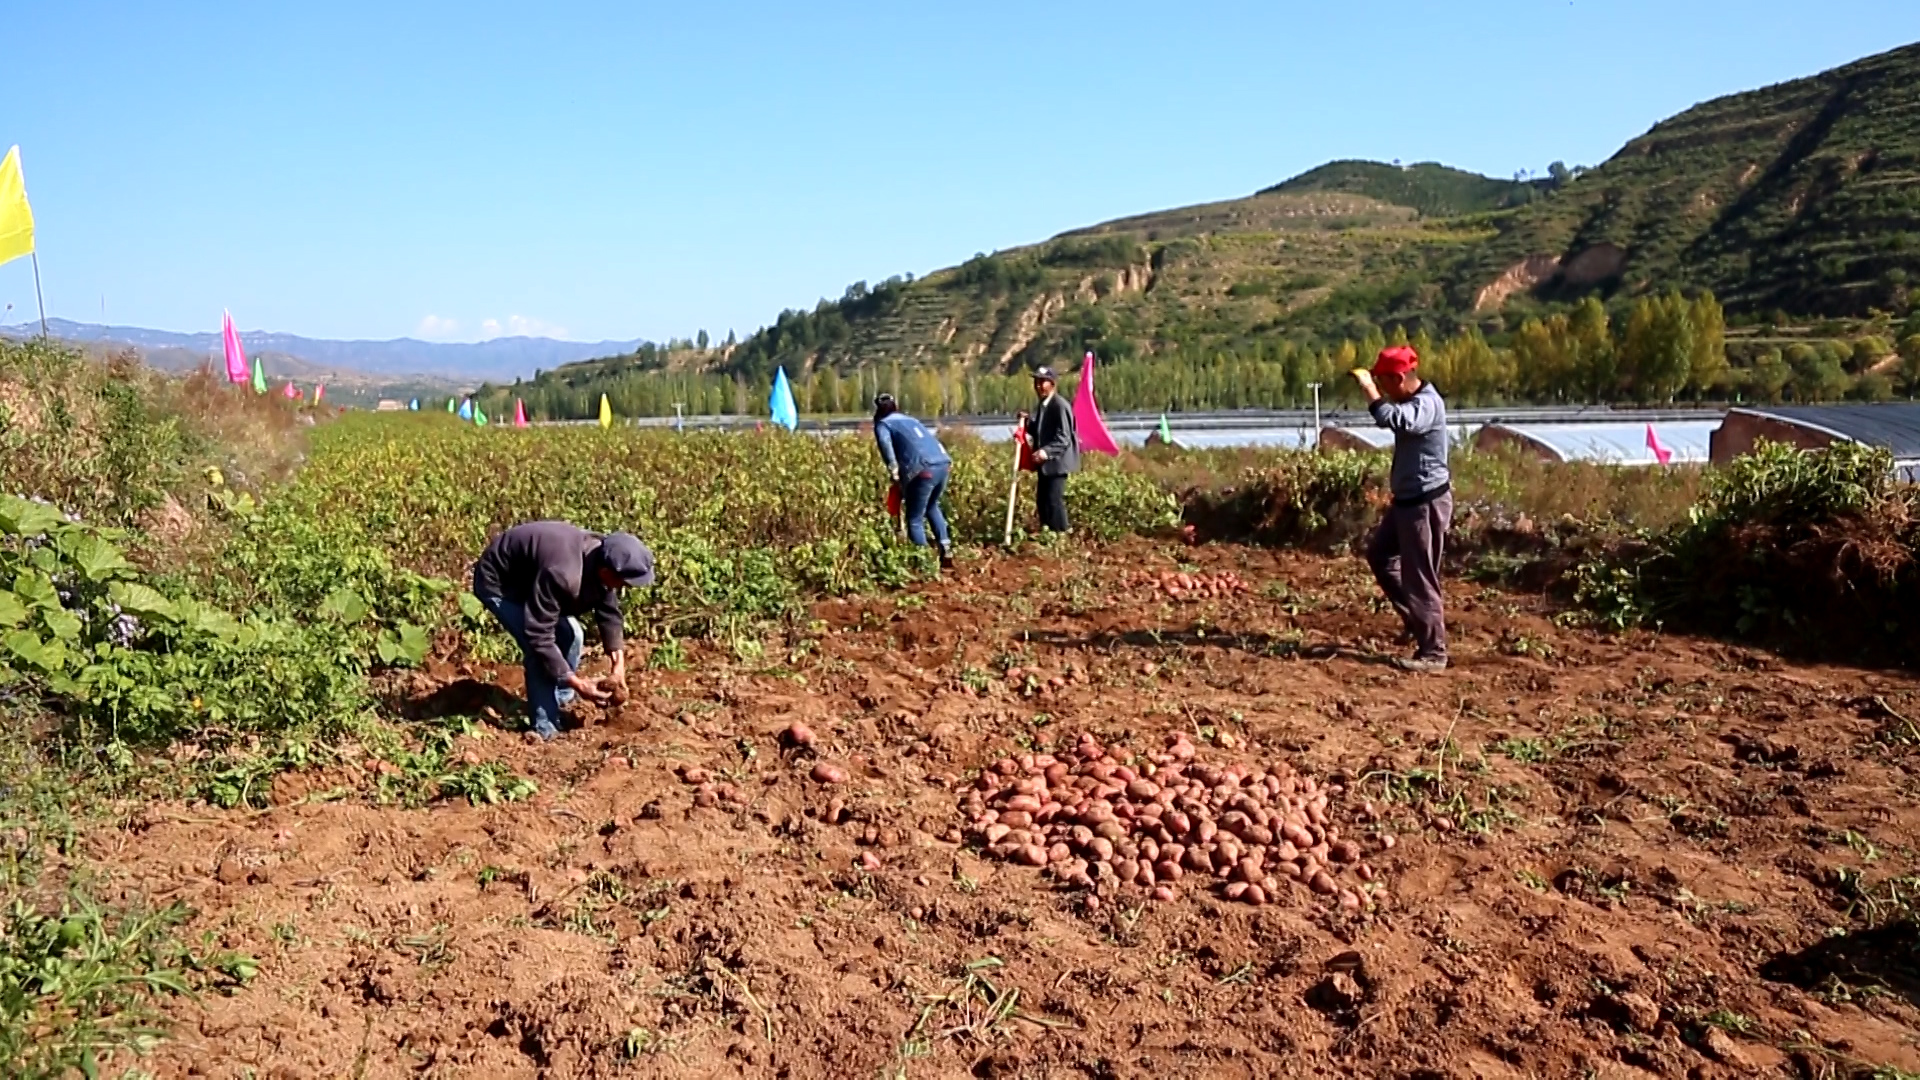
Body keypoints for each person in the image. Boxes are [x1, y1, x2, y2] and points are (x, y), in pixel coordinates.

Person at [472, 522, 656, 740]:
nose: (623, 588)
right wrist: (578, 683)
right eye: (623, 582)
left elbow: (609, 614)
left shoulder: (601, 558)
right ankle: (545, 727)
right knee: (540, 653)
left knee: (573, 635)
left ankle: (561, 697)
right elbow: (539, 636)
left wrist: (618, 668)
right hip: (502, 584)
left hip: (533, 579)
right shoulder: (563, 573)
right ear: (607, 572)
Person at [1351, 345, 1451, 673]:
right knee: (1380, 556)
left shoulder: (1426, 405)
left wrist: (1369, 390)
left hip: (1424, 504)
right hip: (1407, 502)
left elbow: (1394, 420)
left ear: (1398, 378)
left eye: (1385, 382)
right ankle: (1417, 619)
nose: (1385, 390)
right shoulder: (1413, 401)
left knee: (1420, 577)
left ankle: (1434, 653)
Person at [871, 394, 955, 568]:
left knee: (914, 517)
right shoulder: (911, 420)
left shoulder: (884, 424)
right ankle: (946, 547)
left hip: (922, 469)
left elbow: (886, 446)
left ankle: (923, 560)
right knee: (932, 505)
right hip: (943, 463)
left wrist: (894, 470)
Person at [1020, 366, 1079, 532]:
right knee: (1042, 500)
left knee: (1054, 500)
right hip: (1045, 465)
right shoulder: (1043, 405)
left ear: (1052, 384)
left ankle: (1061, 534)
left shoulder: (1059, 406)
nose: (1038, 386)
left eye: (1042, 382)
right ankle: (1047, 533)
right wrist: (1027, 423)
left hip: (1057, 463)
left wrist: (1045, 452)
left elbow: (1064, 437)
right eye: (1036, 382)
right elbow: (1040, 431)